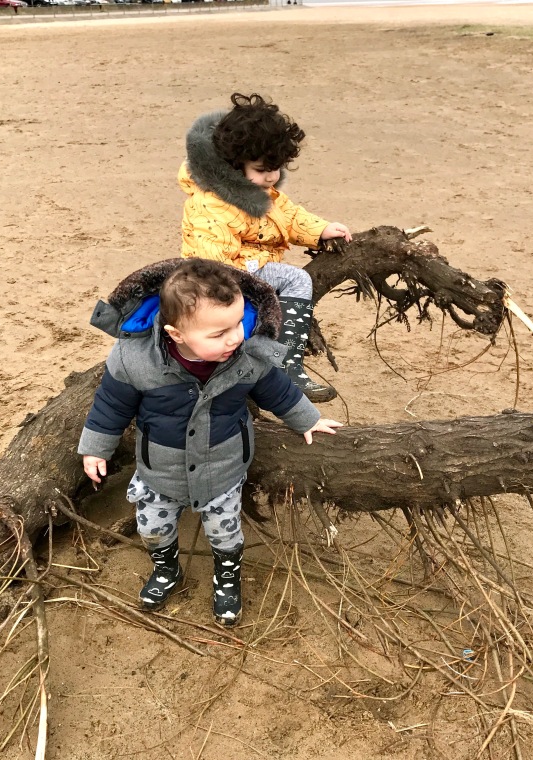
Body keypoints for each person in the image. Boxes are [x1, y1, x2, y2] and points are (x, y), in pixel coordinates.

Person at [78, 258, 342, 627]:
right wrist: (95, 448)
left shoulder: (247, 355)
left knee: (225, 531)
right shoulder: (135, 359)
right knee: (152, 528)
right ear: (176, 334)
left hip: (223, 465)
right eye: (219, 333)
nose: (234, 338)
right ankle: (166, 568)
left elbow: (277, 390)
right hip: (159, 469)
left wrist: (308, 419)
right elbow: (111, 404)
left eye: (238, 323)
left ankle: (227, 577)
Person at [179, 92, 352, 404]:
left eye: (276, 167)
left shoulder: (262, 192)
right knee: (296, 279)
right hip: (220, 278)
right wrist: (242, 285)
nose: (272, 176)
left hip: (248, 268)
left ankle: (282, 365)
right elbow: (211, 257)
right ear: (234, 165)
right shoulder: (212, 203)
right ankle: (287, 366)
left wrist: (321, 230)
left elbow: (291, 217)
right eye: (262, 169)